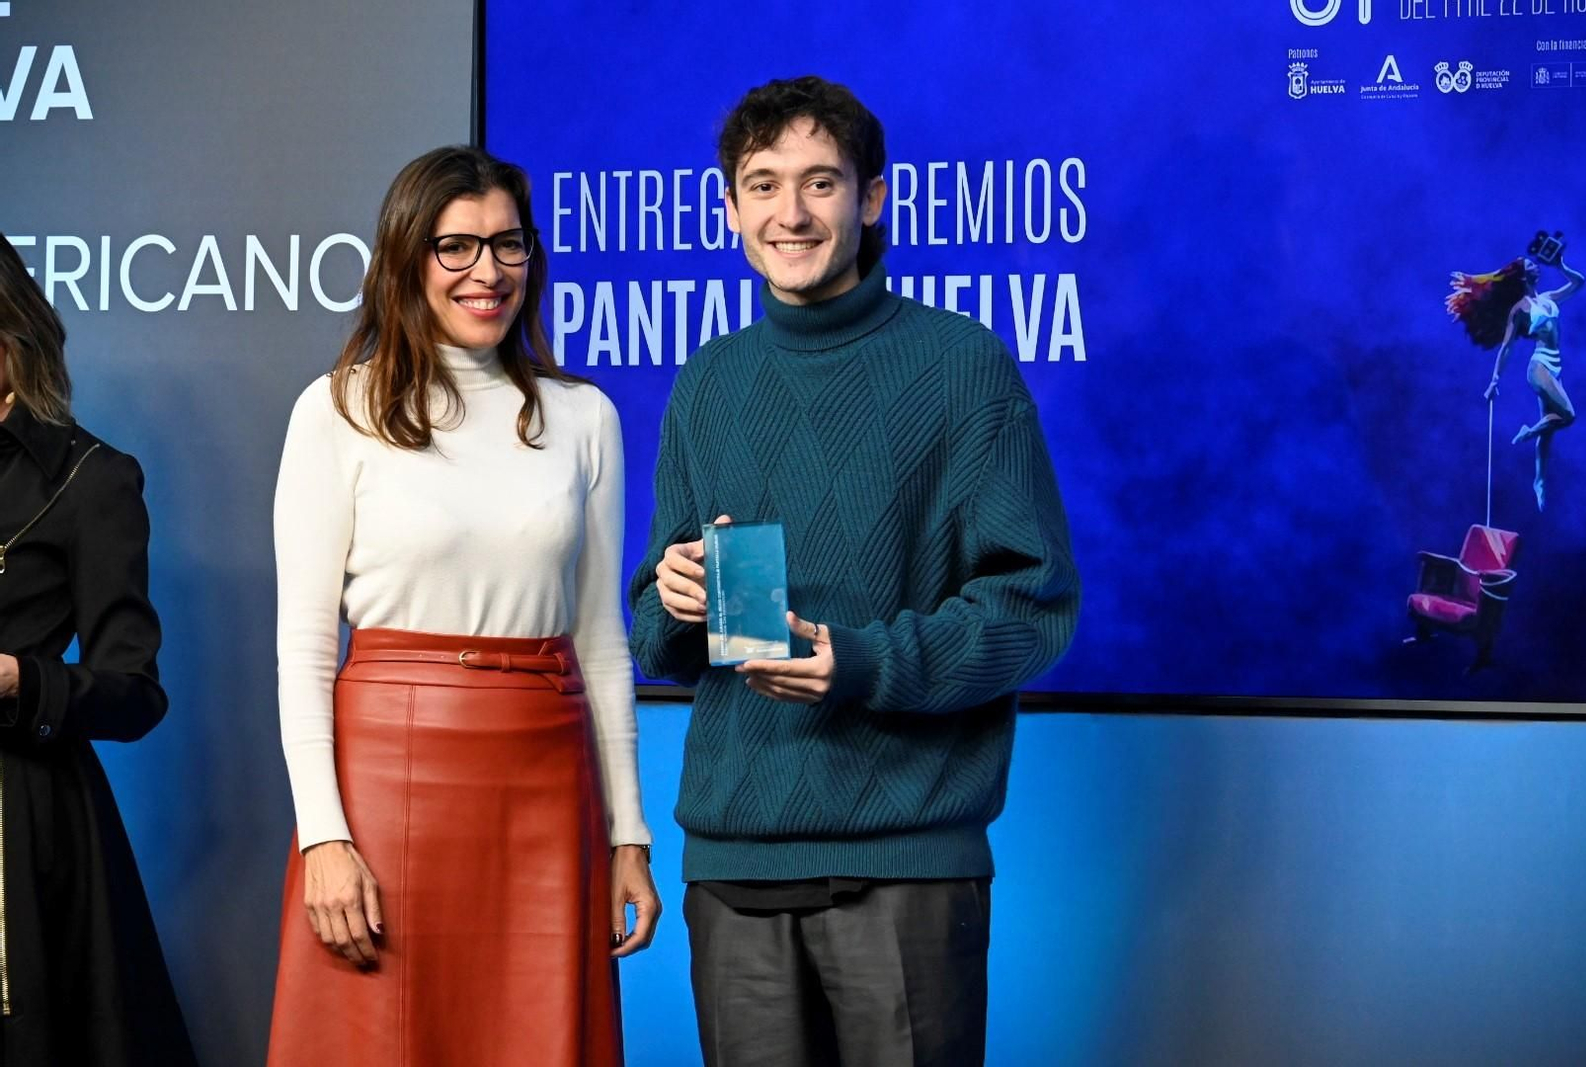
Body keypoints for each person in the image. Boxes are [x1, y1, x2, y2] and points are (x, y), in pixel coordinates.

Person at [628, 77, 1080, 1067]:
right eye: (762, 185)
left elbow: (1030, 604)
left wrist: (863, 664)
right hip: (734, 863)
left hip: (906, 861)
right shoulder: (708, 380)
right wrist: (672, 596)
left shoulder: (961, 366)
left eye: (819, 183)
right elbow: (651, 632)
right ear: (732, 208)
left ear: (872, 198)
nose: (789, 213)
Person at [267, 146, 658, 1067]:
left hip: (547, 782)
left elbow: (603, 643)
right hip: (384, 776)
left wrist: (628, 835)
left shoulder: (584, 416)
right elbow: (305, 648)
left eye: (507, 244)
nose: (488, 272)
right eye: (456, 247)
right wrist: (324, 834)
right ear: (407, 259)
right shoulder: (336, 411)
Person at [0, 234, 197, 1065]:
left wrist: (21, 680)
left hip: (24, 828)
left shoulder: (90, 478)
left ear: (11, 335)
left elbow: (133, 689)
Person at [1448, 251, 1585, 510]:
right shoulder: (1521, 309)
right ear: (1524, 275)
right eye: (1532, 264)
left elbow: (1579, 283)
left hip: (1556, 367)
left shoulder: (1547, 298)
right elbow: (1507, 347)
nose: (1537, 267)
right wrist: (1494, 380)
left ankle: (1539, 480)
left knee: (1549, 434)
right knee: (1568, 415)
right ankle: (1527, 432)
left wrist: (1561, 265)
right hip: (1539, 367)